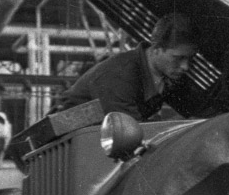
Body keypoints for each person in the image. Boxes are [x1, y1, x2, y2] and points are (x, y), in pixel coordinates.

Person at [54, 13, 199, 121]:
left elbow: (199, 109)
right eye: (178, 58)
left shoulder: (167, 74)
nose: (185, 66)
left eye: (189, 59)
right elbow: (131, 133)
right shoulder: (120, 75)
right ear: (157, 49)